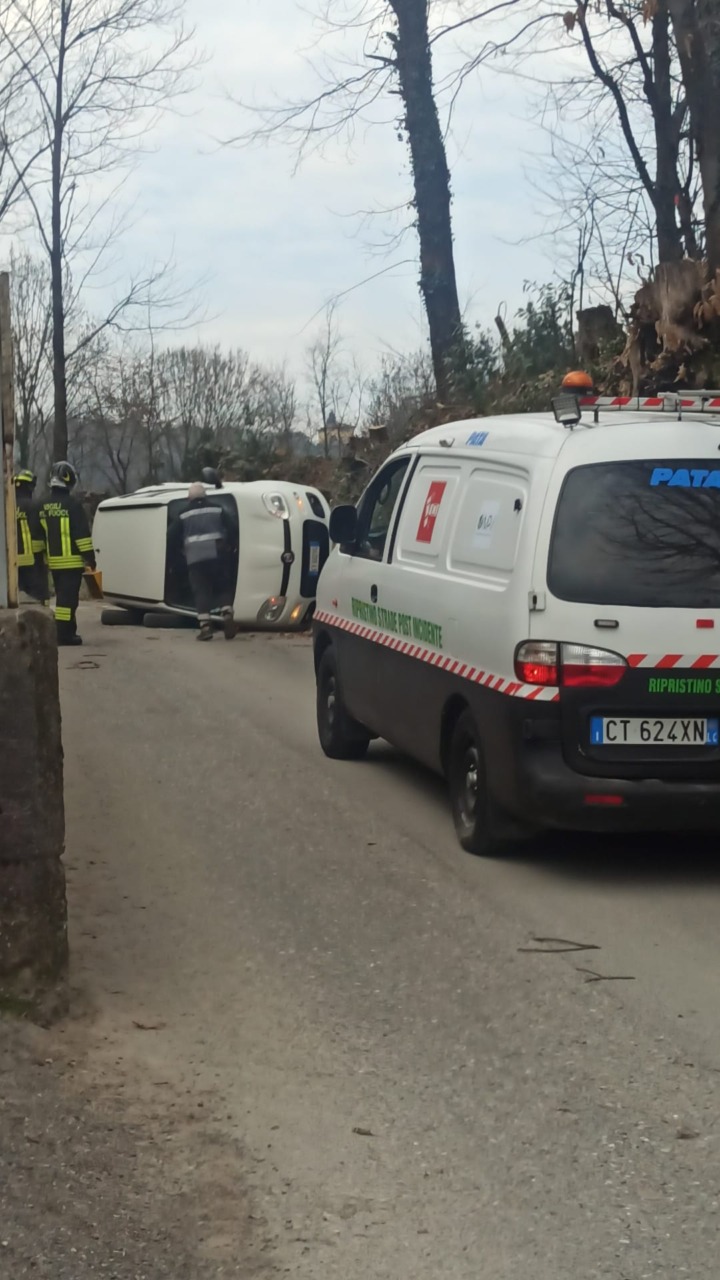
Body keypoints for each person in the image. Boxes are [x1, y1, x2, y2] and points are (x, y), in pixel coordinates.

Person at [169, 482, 238, 641]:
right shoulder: (217, 509)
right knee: (222, 586)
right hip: (218, 553)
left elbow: (171, 536)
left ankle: (205, 627)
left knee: (201, 590)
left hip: (195, 557)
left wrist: (181, 550)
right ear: (205, 495)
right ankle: (227, 614)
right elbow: (233, 527)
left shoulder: (183, 514)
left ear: (189, 498)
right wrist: (229, 545)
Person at [40, 461, 96, 647]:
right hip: (71, 563)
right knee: (68, 601)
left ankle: (68, 630)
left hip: (53, 563)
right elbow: (82, 536)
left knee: (63, 598)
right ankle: (63, 634)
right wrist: (90, 558)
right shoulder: (73, 505)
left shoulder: (43, 504)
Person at [13, 470, 47, 604]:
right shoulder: (34, 506)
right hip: (33, 560)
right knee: (38, 597)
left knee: (17, 599)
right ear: (29, 486)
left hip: (11, 563)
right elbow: (43, 531)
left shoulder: (6, 506)